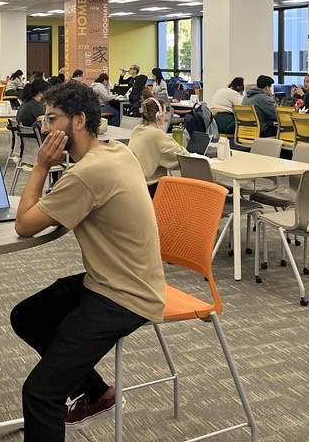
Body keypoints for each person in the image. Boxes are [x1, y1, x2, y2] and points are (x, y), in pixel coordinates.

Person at [11, 82, 166, 440]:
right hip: (116, 278)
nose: (45, 127)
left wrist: (41, 165)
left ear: (78, 121)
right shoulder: (115, 151)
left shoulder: (85, 173)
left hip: (125, 295)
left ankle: (84, 391)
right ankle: (96, 393)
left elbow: (24, 225)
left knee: (40, 393)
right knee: (28, 316)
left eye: (53, 119)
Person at [128, 98, 188, 197]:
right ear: (159, 115)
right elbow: (183, 156)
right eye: (164, 112)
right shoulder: (157, 134)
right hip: (150, 188)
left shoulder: (137, 129)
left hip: (135, 185)